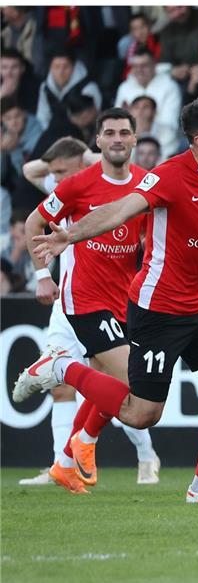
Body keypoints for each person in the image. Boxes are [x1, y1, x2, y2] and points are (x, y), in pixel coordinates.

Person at [18, 95, 198, 503]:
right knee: (142, 413)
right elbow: (119, 211)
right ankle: (61, 367)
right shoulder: (168, 176)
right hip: (159, 308)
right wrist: (68, 236)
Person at [14, 134, 159, 488]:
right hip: (73, 300)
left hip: (118, 299)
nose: (55, 179)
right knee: (67, 389)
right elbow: (30, 169)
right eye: (55, 174)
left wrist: (105, 155)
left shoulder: (125, 184)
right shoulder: (71, 186)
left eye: (62, 172)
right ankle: (61, 463)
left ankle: (143, 454)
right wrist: (41, 276)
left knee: (117, 385)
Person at [35, 50, 102, 130]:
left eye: (66, 67)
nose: (61, 72)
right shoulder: (45, 88)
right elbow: (42, 117)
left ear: (73, 67)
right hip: (55, 134)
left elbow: (96, 118)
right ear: (50, 68)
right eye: (56, 67)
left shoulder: (88, 88)